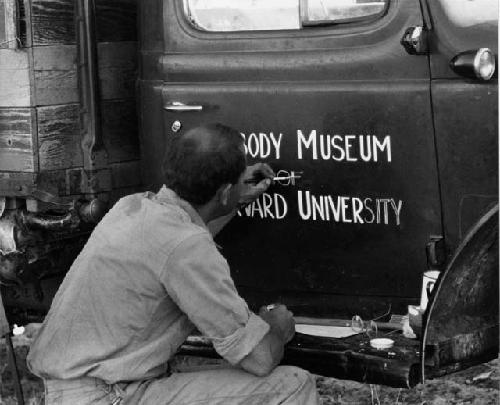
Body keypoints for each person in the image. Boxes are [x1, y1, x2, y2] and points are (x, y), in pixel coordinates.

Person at [27, 123, 320, 404]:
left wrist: (234, 198)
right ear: (224, 192)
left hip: (69, 390)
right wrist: (276, 328)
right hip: (111, 395)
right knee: (292, 386)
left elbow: (177, 244)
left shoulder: (133, 207)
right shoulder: (187, 248)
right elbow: (260, 358)